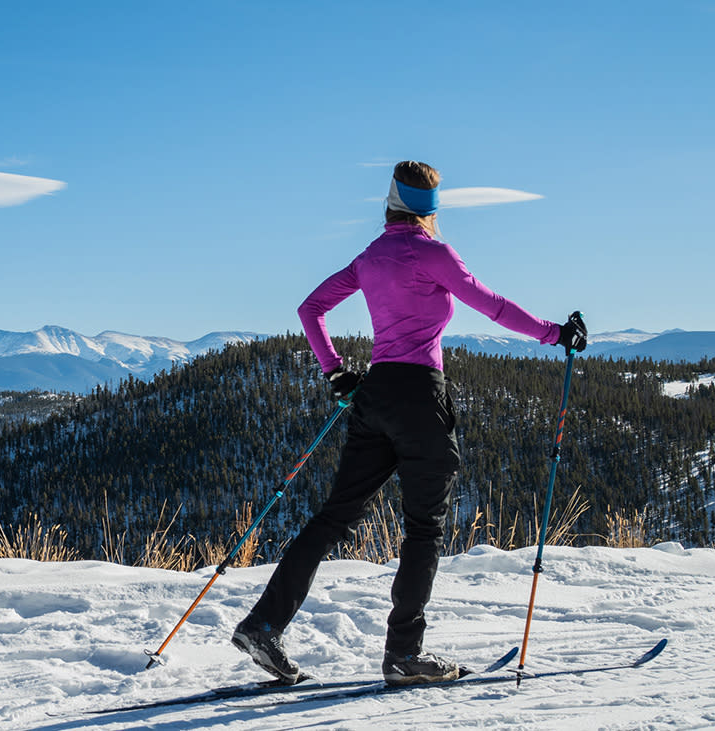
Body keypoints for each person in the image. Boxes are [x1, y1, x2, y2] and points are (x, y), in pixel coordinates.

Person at [232, 160, 587, 687]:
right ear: (432, 211)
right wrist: (555, 334)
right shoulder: (433, 252)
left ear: (390, 202)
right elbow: (492, 306)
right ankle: (403, 654)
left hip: (374, 395)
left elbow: (310, 309)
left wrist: (337, 375)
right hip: (422, 397)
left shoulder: (371, 256)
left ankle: (264, 624)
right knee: (423, 527)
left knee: (334, 517)